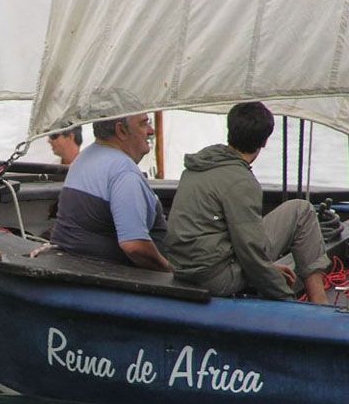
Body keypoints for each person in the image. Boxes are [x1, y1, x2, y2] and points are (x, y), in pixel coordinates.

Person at [162, 101, 331, 303]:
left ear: (230, 130)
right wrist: (286, 297)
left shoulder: (195, 168)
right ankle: (320, 303)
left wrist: (270, 269)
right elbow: (251, 252)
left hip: (184, 271)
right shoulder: (241, 182)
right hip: (215, 280)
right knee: (301, 210)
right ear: (264, 142)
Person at [51, 112, 171, 272]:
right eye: (144, 124)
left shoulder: (85, 157)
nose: (150, 131)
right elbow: (134, 246)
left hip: (75, 266)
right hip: (119, 280)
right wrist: (169, 271)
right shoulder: (123, 173)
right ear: (121, 130)